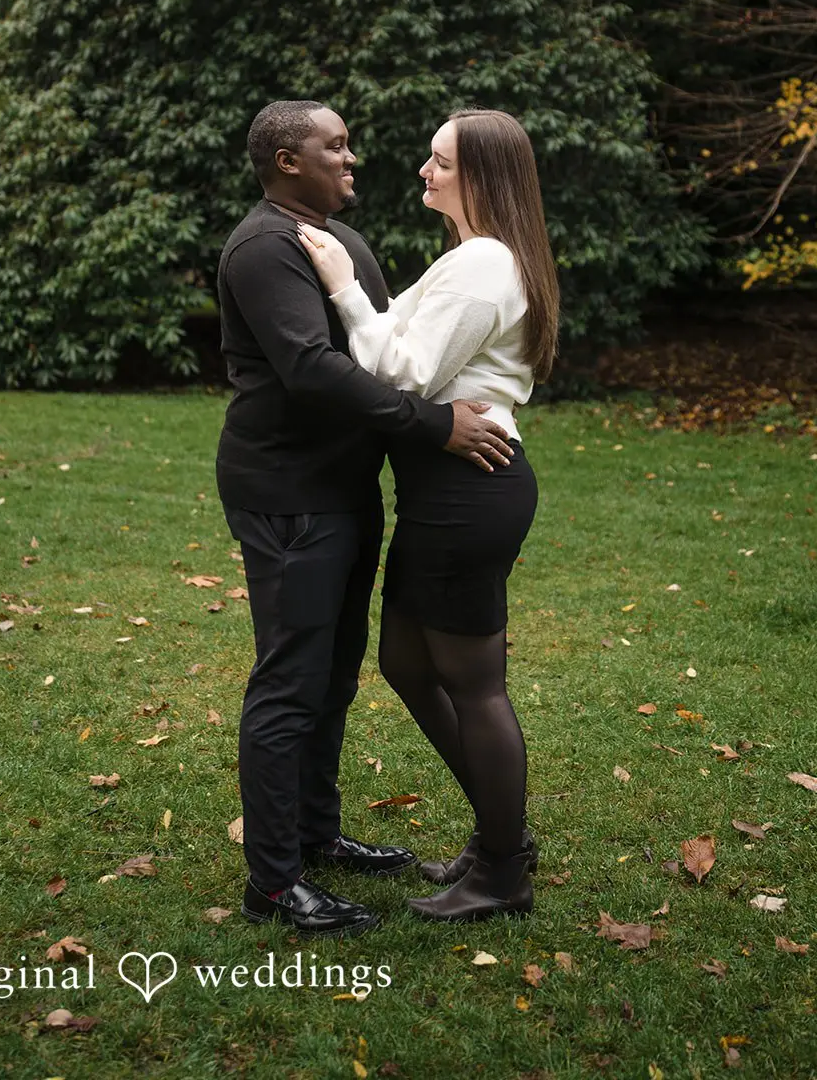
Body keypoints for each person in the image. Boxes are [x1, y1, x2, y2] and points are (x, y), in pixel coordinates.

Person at [216, 99, 517, 938]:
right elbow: (314, 370)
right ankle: (273, 882)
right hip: (286, 491)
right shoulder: (264, 247)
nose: (352, 160)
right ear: (286, 161)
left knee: (336, 673)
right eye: (333, 146)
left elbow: (384, 351)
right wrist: (433, 429)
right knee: (288, 681)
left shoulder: (341, 244)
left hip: (346, 490)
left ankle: (315, 833)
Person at [297, 108, 559, 923]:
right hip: (443, 493)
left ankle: (503, 869)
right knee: (409, 665)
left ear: (477, 176)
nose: (422, 169)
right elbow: (388, 335)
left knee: (474, 684)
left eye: (439, 160)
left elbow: (398, 371)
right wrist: (358, 310)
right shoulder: (467, 258)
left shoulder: (484, 263)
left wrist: (339, 280)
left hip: (467, 497)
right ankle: (497, 827)